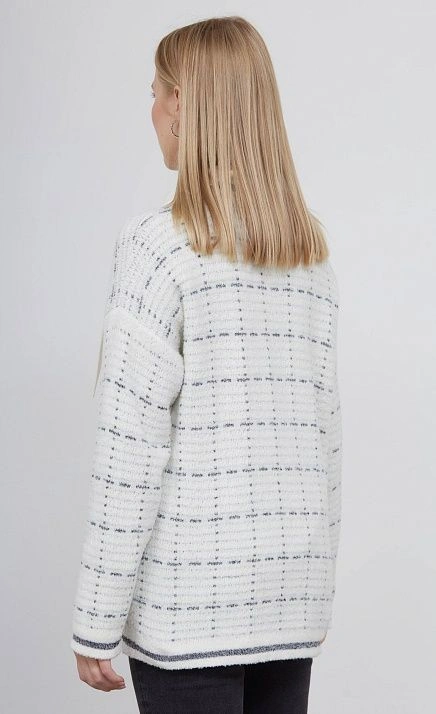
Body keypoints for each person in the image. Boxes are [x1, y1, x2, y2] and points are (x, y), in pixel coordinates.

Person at [70, 15, 342, 714]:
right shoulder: (307, 253)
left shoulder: (159, 247)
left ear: (184, 104)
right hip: (288, 600)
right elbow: (326, 438)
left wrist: (96, 618)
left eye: (156, 91)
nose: (151, 110)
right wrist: (314, 588)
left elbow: (130, 445)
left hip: (193, 607)